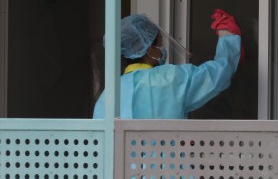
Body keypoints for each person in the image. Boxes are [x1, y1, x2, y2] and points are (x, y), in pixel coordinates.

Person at [93, 10, 241, 119]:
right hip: (169, 162)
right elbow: (217, 75)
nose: (163, 49)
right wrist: (229, 38)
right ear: (149, 49)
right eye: (160, 44)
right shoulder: (170, 79)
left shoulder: (109, 95)